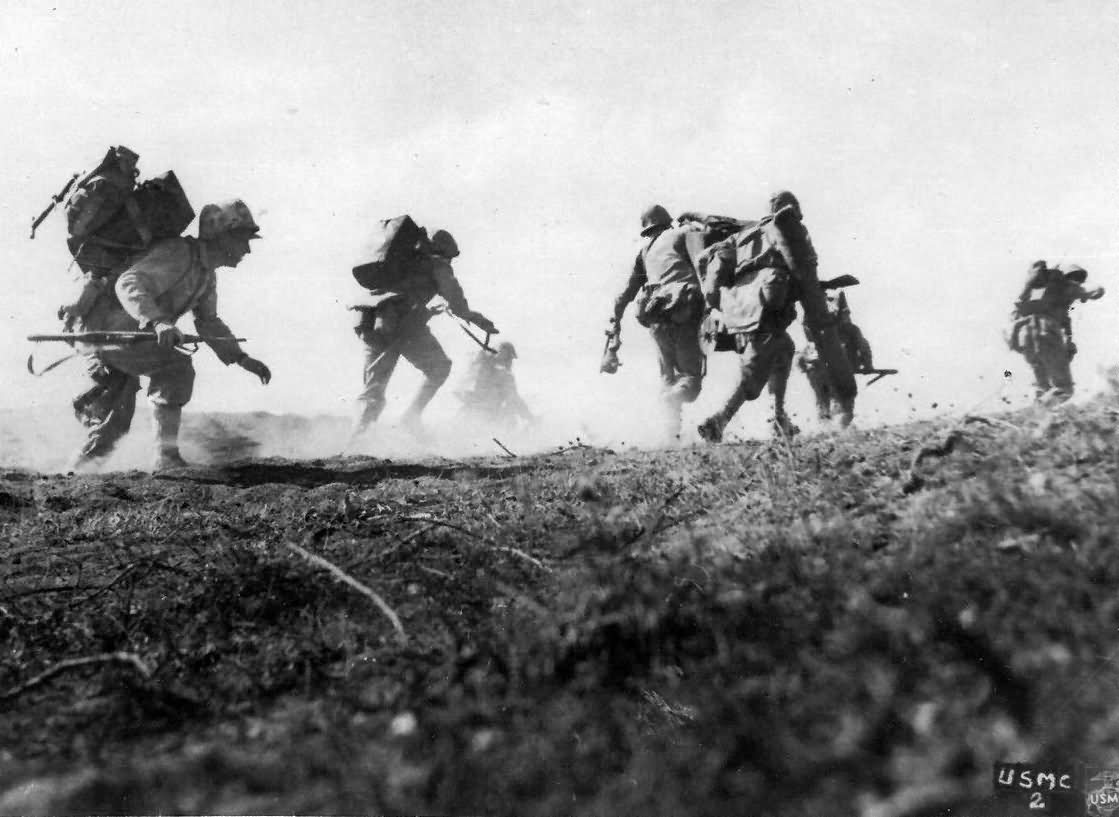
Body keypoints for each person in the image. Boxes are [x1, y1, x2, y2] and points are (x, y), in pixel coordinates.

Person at [70, 199, 272, 471]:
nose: (246, 249)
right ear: (220, 237)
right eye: (241, 239)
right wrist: (158, 323)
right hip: (109, 333)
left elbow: (208, 322)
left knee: (112, 430)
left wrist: (241, 358)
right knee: (175, 369)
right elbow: (129, 283)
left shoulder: (206, 274)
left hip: (129, 340)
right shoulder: (179, 254)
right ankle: (164, 457)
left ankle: (76, 476)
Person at [350, 228, 497, 441]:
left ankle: (356, 441)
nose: (450, 262)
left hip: (370, 322)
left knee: (374, 385)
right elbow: (456, 302)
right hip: (401, 325)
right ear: (443, 252)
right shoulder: (438, 265)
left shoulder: (403, 261)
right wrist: (480, 321)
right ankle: (408, 418)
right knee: (439, 367)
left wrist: (427, 311)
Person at [695, 199, 803, 443]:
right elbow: (799, 269)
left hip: (740, 310)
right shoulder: (782, 231)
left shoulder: (742, 236)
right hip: (764, 310)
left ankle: (778, 418)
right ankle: (717, 422)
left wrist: (720, 301)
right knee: (753, 376)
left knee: (784, 350)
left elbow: (705, 258)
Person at [610, 204, 707, 440]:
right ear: (667, 221)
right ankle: (669, 404)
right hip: (684, 313)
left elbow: (625, 293)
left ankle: (669, 434)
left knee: (667, 377)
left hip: (656, 318)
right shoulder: (683, 234)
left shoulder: (645, 252)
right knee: (690, 381)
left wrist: (617, 321)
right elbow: (704, 261)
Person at [1011, 261, 1104, 401]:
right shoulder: (1068, 287)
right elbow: (1094, 290)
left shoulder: (1040, 293)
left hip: (1025, 335)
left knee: (1042, 388)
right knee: (1064, 389)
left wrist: (1069, 340)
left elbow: (1065, 321)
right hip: (1046, 331)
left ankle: (1037, 417)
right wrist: (1096, 292)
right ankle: (1042, 412)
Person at [797, 291, 873, 426]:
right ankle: (837, 431)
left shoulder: (815, 326)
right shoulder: (852, 330)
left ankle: (826, 430)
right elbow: (864, 347)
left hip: (813, 367)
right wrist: (867, 366)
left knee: (822, 401)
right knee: (845, 400)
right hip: (834, 369)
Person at [455, 341, 535, 430]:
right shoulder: (505, 375)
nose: (511, 362)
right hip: (488, 418)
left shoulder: (481, 369)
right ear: (506, 358)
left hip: (468, 413)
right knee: (511, 416)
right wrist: (530, 418)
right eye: (510, 358)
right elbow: (514, 399)